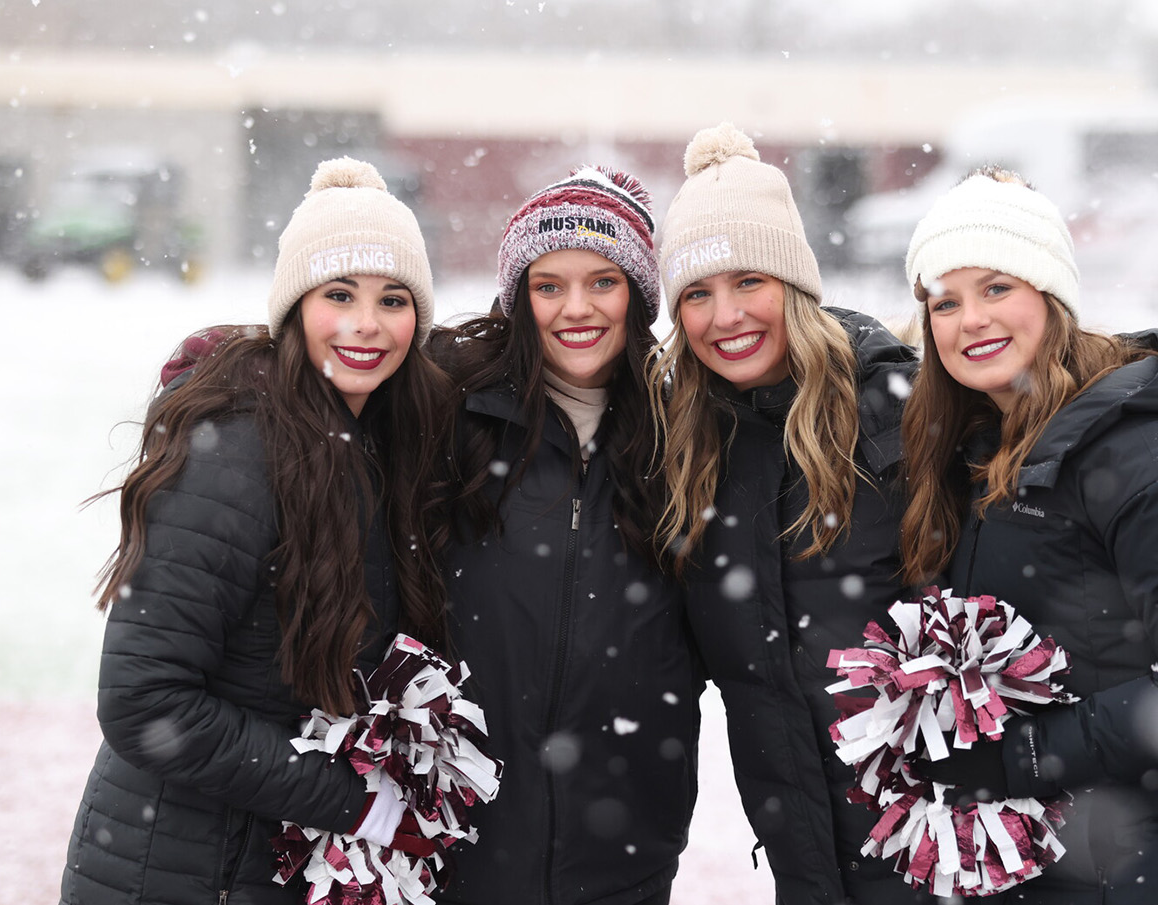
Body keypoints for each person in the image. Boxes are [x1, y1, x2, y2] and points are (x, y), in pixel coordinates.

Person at [898, 166, 1158, 904]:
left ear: (1051, 296)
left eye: (996, 288)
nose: (969, 320)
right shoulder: (981, 453)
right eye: (943, 301)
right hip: (1067, 862)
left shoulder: (1154, 455)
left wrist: (1020, 752)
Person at [61, 158, 452, 905]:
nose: (366, 323)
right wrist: (354, 800)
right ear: (294, 307)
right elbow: (146, 702)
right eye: (339, 294)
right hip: (175, 872)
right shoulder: (238, 450)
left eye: (392, 298)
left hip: (259, 867)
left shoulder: (375, 443)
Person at [649, 123, 922, 905]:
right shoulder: (691, 445)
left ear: (793, 283)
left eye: (747, 282)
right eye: (696, 294)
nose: (723, 315)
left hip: (934, 846)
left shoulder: (897, 413)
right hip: (803, 854)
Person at [427, 166, 703, 905]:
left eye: (601, 282)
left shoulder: (685, 435)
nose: (574, 309)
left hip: (621, 850)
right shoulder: (450, 412)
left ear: (639, 295)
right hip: (456, 841)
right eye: (548, 286)